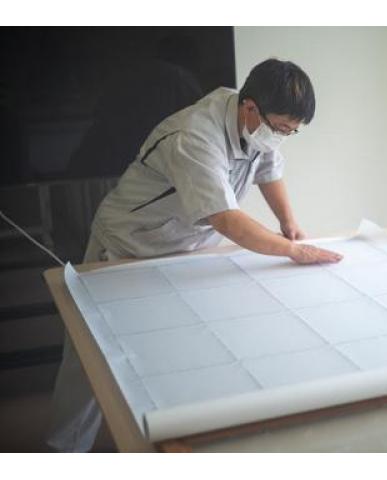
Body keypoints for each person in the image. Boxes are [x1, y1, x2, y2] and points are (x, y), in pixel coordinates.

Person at [47, 58, 342, 452]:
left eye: (292, 131)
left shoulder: (259, 127)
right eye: (281, 128)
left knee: (189, 345)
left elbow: (268, 170)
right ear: (250, 108)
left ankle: (176, 438)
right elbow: (227, 220)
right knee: (93, 355)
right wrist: (291, 250)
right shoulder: (194, 135)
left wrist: (290, 224)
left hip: (189, 244)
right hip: (129, 244)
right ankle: (62, 450)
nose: (283, 136)